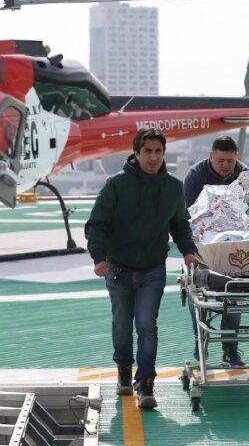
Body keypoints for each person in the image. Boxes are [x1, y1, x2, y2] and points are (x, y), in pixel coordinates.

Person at [85, 128, 198, 409]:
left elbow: (180, 225)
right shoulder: (116, 185)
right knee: (122, 326)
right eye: (147, 151)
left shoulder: (173, 187)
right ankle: (124, 368)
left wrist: (189, 251)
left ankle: (145, 384)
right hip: (118, 270)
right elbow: (96, 224)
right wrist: (99, 257)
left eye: (158, 151)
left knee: (146, 325)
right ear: (136, 153)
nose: (153, 157)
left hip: (152, 270)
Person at [183, 135, 249, 367]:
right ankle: (199, 337)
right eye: (220, 160)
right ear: (210, 156)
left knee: (234, 294)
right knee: (198, 294)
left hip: (236, 245)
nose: (225, 165)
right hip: (202, 244)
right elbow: (189, 216)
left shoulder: (246, 176)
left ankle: (230, 348)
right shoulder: (195, 176)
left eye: (230, 161)